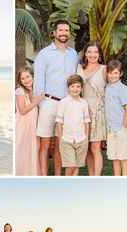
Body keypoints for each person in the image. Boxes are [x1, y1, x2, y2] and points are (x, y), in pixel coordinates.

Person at [34, 19, 79, 176]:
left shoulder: (73, 55)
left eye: (66, 30)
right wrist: (41, 105)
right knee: (45, 143)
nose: (64, 33)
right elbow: (38, 81)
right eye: (61, 30)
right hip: (48, 103)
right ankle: (43, 176)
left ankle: (58, 176)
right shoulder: (44, 54)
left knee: (61, 143)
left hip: (67, 105)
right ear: (54, 32)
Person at [77, 41, 107, 175]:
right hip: (81, 111)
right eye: (90, 52)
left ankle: (97, 177)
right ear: (85, 53)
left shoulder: (104, 69)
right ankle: (91, 176)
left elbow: (112, 91)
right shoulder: (79, 68)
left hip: (97, 112)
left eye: (95, 52)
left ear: (99, 54)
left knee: (95, 147)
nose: (92, 55)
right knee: (87, 147)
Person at [56, 75, 90, 176]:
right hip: (67, 139)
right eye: (72, 86)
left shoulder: (84, 103)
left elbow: (86, 121)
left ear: (82, 88)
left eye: (78, 86)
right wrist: (61, 137)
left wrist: (86, 137)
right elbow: (59, 121)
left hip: (81, 139)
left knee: (76, 165)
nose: (75, 89)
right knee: (70, 165)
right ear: (68, 88)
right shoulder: (63, 102)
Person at [15, 66, 44, 175]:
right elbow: (22, 110)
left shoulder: (36, 90)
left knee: (33, 150)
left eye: (28, 76)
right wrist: (36, 101)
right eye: (23, 78)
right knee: (22, 149)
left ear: (32, 76)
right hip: (23, 125)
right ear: (20, 81)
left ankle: (31, 173)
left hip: (33, 125)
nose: (26, 80)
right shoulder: (20, 91)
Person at [105, 60, 127, 176]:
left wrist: (124, 127)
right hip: (111, 129)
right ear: (107, 73)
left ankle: (125, 183)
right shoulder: (107, 87)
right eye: (110, 72)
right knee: (114, 158)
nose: (113, 75)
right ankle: (117, 181)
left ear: (120, 74)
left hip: (122, 129)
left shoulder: (123, 89)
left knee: (124, 158)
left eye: (116, 73)